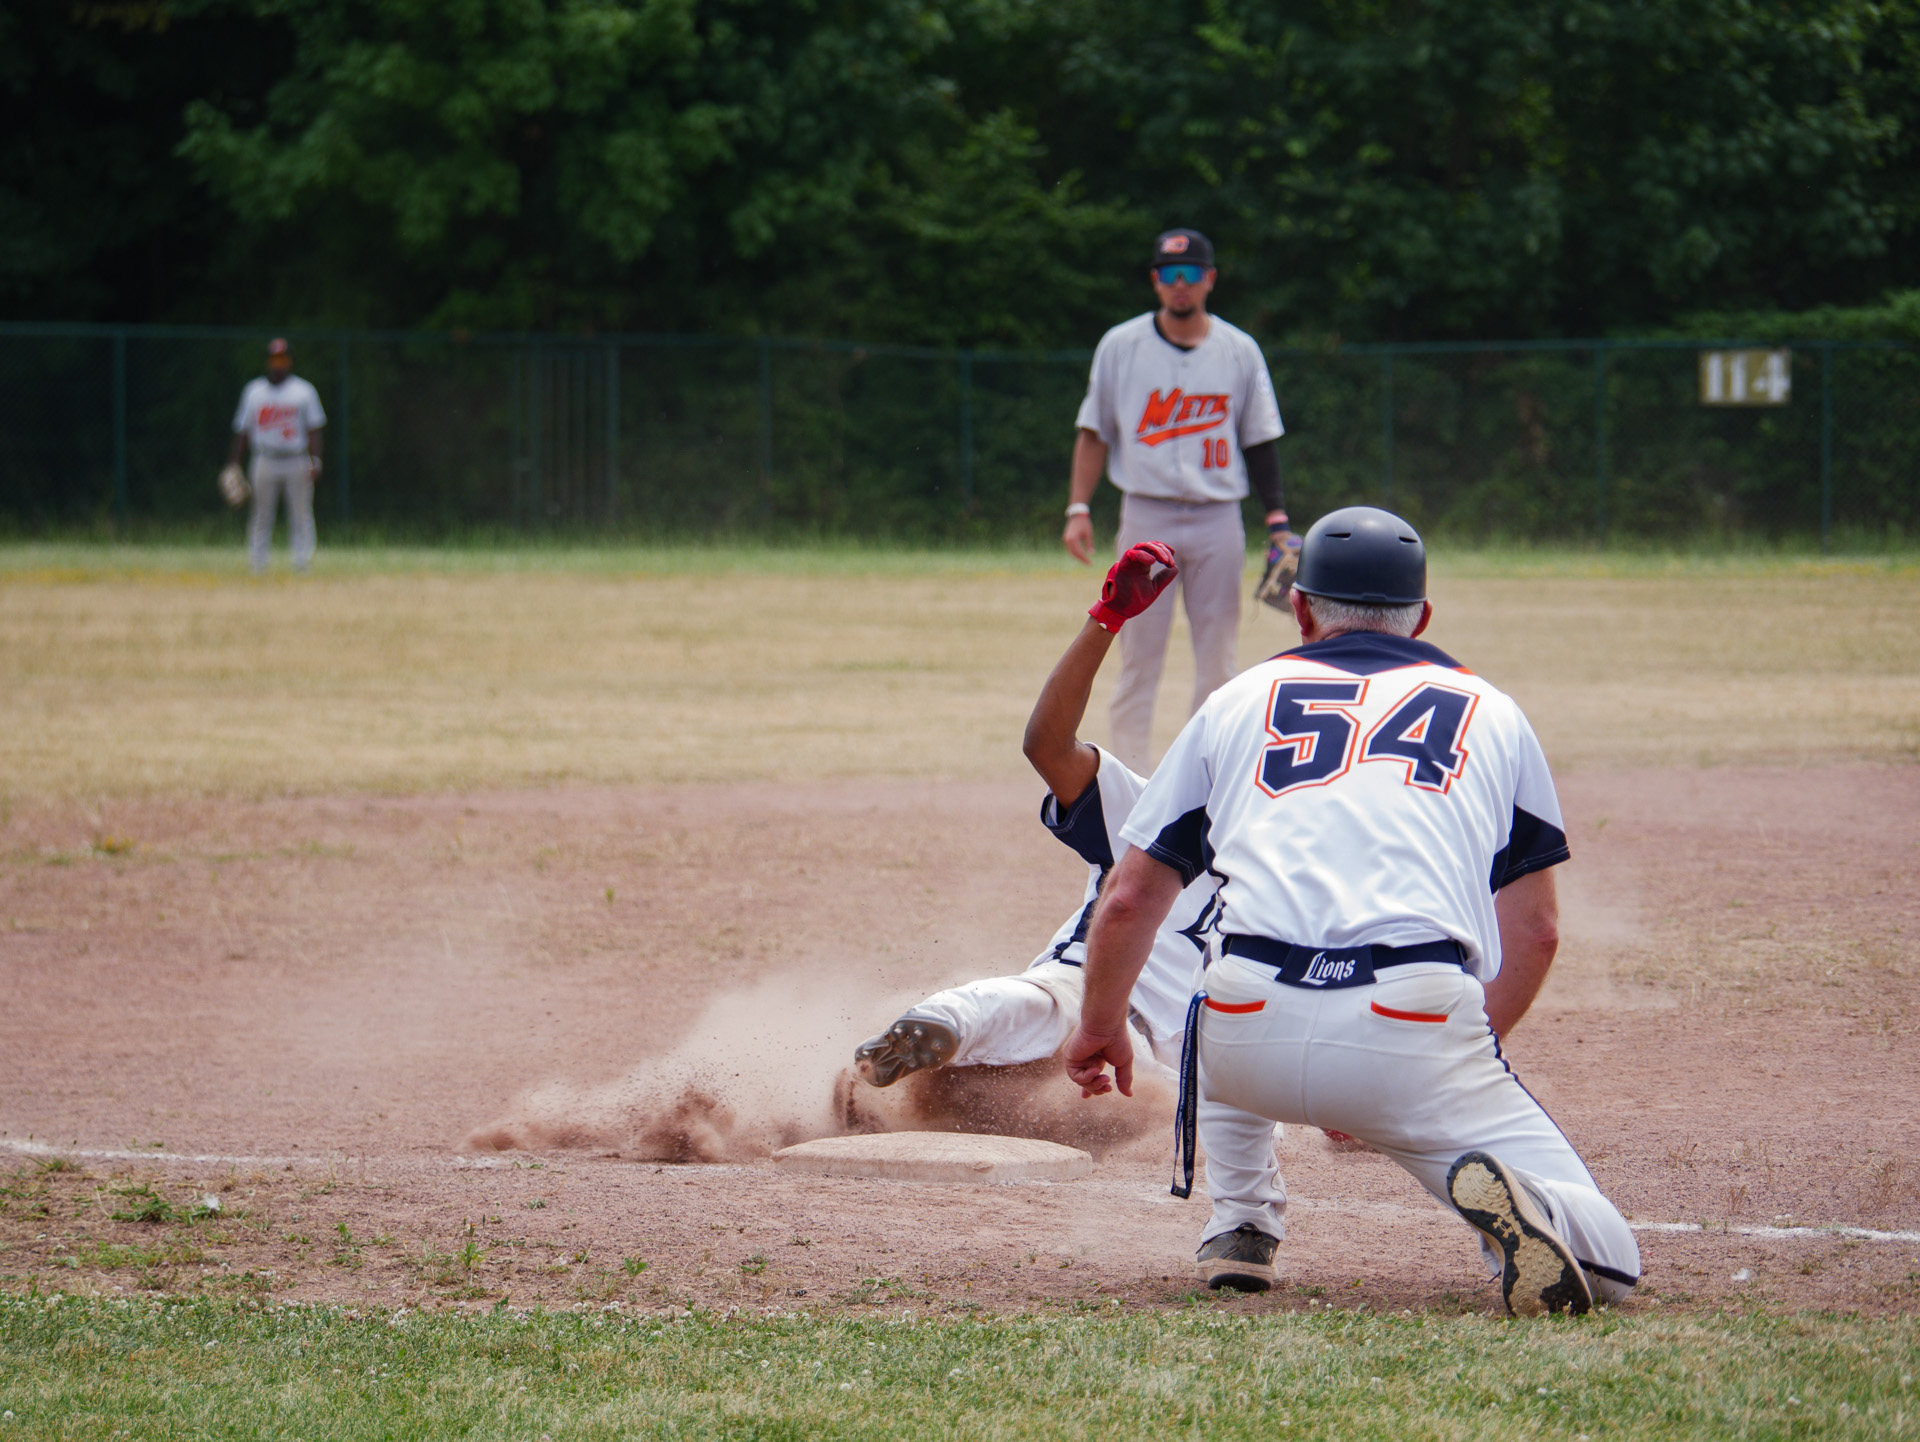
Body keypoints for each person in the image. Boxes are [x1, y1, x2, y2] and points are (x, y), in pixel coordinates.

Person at [1062, 507, 1642, 1313]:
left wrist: (1098, 1027)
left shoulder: (1237, 700)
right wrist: (1445, 1060)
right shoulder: (1493, 712)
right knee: (1613, 1265)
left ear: (1300, 611)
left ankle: (1241, 1223)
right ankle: (1527, 1210)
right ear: (1423, 619)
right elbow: (1536, 935)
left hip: (1246, 1027)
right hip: (1408, 1027)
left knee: (1221, 957)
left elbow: (1129, 899)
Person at [1062, 228, 1290, 772]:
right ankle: (1129, 777)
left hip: (1218, 518)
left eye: (1191, 274)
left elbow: (1259, 437)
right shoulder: (1121, 345)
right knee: (1138, 657)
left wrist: (1276, 515)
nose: (1180, 284)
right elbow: (1094, 431)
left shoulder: (1239, 350)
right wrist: (1078, 507)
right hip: (1146, 513)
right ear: (1155, 281)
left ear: (1209, 279)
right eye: (1169, 274)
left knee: (1218, 660)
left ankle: (1205, 776)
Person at [228, 338, 326, 574]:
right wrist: (234, 464)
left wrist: (316, 459)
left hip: (296, 458)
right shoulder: (254, 392)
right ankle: (258, 563)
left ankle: (302, 563)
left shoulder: (303, 391)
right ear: (267, 362)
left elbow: (314, 429)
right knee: (261, 513)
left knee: (301, 514)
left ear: (290, 361)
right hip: (264, 458)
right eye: (274, 359)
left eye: (282, 359)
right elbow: (243, 431)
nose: (278, 364)